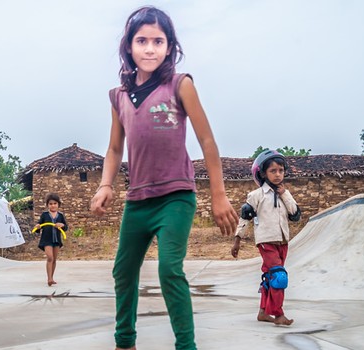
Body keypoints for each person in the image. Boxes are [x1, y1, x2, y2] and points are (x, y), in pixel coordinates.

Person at [89, 5, 239, 350]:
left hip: (176, 197)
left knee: (169, 270)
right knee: (123, 272)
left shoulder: (179, 85)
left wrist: (219, 195)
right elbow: (114, 149)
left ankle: (186, 346)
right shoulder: (119, 96)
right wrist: (105, 184)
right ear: (129, 46)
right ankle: (124, 342)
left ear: (170, 46)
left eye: (159, 41)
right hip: (137, 202)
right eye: (142, 40)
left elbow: (207, 140)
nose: (150, 48)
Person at [230, 149, 302, 326]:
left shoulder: (285, 194)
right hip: (266, 241)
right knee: (279, 277)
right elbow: (245, 217)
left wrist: (284, 194)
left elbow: (295, 214)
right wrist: (237, 240)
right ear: (263, 173)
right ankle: (278, 315)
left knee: (271, 277)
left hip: (283, 242)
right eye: (273, 171)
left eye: (281, 170)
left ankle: (263, 312)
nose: (278, 174)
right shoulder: (257, 195)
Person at [34, 192, 68, 287]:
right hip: (46, 240)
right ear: (47, 205)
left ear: (58, 204)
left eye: (55, 203)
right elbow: (39, 226)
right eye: (50, 204)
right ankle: (49, 278)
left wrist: (62, 225)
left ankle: (52, 278)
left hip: (56, 240)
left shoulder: (60, 216)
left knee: (54, 259)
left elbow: (65, 227)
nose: (53, 205)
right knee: (50, 258)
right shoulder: (44, 215)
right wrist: (37, 227)